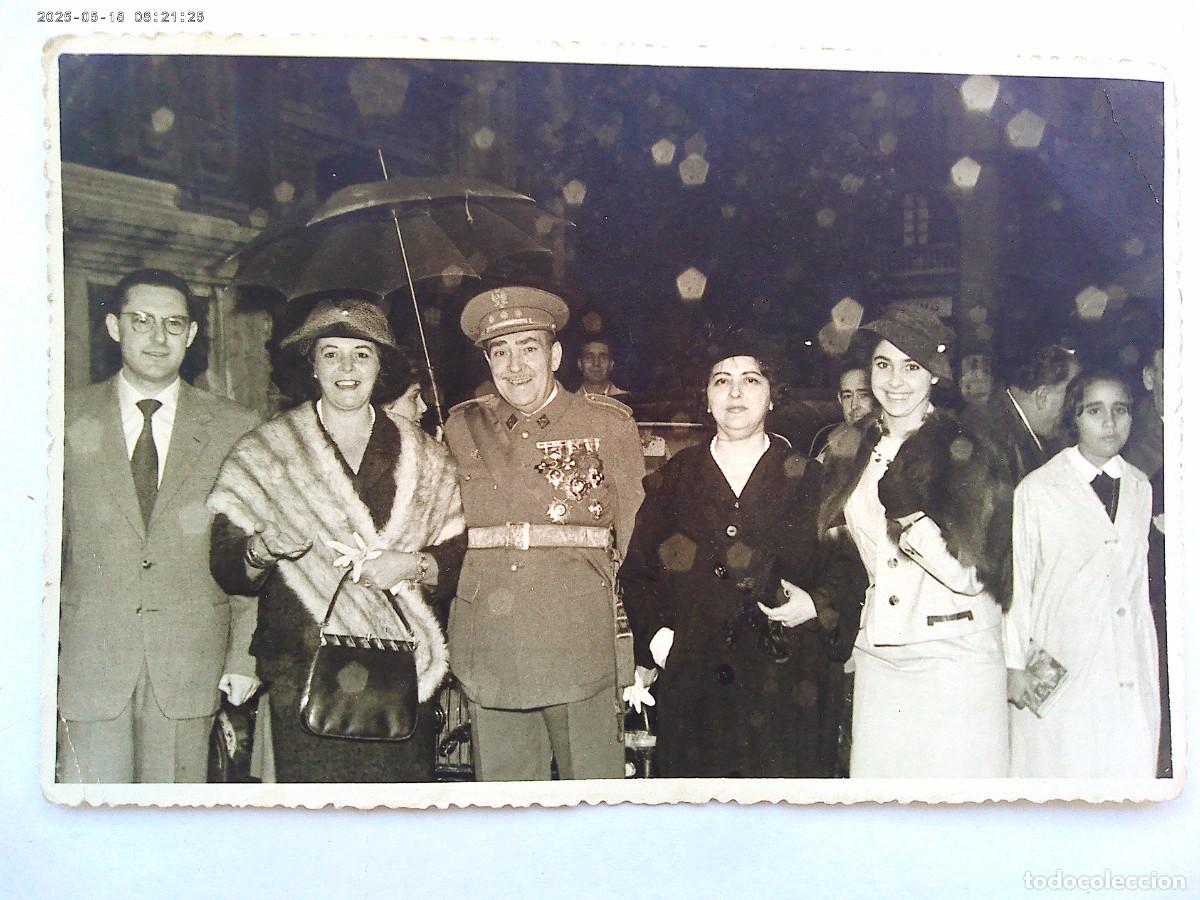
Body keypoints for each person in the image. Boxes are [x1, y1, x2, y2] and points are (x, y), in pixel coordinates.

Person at [208, 296, 465, 783]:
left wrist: (409, 565)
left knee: (395, 821)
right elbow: (226, 567)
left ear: (381, 365)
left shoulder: (425, 457)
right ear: (312, 365)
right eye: (331, 353)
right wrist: (263, 549)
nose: (347, 367)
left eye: (362, 353)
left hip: (399, 672)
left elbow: (456, 557)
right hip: (301, 671)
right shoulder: (267, 451)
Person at [619, 345, 865, 777]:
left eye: (751, 379)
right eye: (721, 380)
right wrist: (659, 639)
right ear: (707, 398)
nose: (735, 392)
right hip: (696, 681)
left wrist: (816, 604)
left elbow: (847, 570)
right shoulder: (675, 478)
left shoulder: (811, 478)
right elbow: (639, 571)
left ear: (772, 396)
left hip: (789, 686)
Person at [58, 268, 260, 783]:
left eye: (173, 323)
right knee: (91, 821)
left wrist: (243, 655)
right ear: (113, 326)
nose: (157, 336)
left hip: (190, 661)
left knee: (173, 825)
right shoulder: (59, 418)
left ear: (191, 336)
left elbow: (249, 555)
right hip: (89, 657)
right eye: (141, 320)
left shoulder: (234, 427)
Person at [444, 286, 646, 781]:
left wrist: (636, 645)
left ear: (555, 355)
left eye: (528, 348)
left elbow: (637, 540)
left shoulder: (607, 424)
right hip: (490, 643)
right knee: (506, 806)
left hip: (579, 642)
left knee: (593, 800)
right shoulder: (461, 427)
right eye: (500, 352)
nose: (514, 367)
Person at [817, 302, 1015, 778]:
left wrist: (911, 521)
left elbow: (974, 574)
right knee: (883, 817)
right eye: (883, 365)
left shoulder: (967, 450)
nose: (896, 381)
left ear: (935, 376)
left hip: (955, 657)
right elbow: (850, 555)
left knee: (957, 823)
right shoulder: (850, 449)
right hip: (880, 657)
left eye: (912, 366)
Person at [1006, 370, 1158, 777]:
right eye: (1095, 410)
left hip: (1126, 655)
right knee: (1062, 772)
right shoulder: (1037, 490)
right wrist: (1013, 663)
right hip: (1061, 656)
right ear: (1074, 417)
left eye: (1120, 410)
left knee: (1125, 774)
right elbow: (1019, 582)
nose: (1110, 423)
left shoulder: (1140, 487)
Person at [962, 344, 1080, 486]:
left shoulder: (1005, 424)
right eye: (1070, 398)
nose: (1072, 409)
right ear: (1042, 397)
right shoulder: (990, 443)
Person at [809, 364, 876, 461]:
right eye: (848, 396)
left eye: (863, 395)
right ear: (840, 399)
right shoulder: (826, 436)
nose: (854, 406)